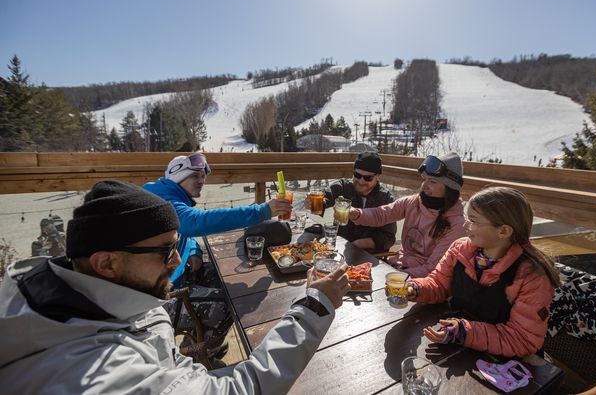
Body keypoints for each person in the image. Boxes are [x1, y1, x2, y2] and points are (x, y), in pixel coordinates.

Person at [0, 180, 350, 394]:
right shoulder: (96, 376)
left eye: (177, 245)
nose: (174, 259)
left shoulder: (72, 291)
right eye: (166, 250)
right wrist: (314, 307)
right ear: (105, 262)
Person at [407, 187, 561, 358]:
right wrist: (415, 289)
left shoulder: (532, 276)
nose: (465, 225)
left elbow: (522, 339)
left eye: (473, 220)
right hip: (460, 343)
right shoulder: (461, 248)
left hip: (509, 366)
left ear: (503, 231)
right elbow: (439, 284)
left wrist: (465, 332)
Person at [143, 153, 292, 288]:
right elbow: (194, 222)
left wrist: (193, 251)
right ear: (177, 177)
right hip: (160, 294)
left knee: (231, 281)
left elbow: (181, 230)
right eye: (195, 176)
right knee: (236, 297)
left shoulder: (166, 194)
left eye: (203, 176)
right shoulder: (162, 201)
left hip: (176, 276)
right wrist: (261, 211)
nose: (201, 180)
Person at [348, 152, 466, 277]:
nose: (424, 186)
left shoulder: (457, 225)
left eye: (432, 181)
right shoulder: (414, 202)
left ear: (450, 188)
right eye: (424, 179)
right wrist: (356, 214)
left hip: (418, 284)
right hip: (396, 268)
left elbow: (432, 268)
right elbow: (381, 215)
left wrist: (392, 277)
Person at [306, 151, 396, 253]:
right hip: (339, 249)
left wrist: (358, 244)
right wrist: (314, 203)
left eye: (368, 178)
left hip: (370, 255)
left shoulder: (386, 198)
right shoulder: (343, 187)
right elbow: (325, 200)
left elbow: (388, 238)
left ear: (378, 176)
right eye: (357, 175)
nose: (361, 181)